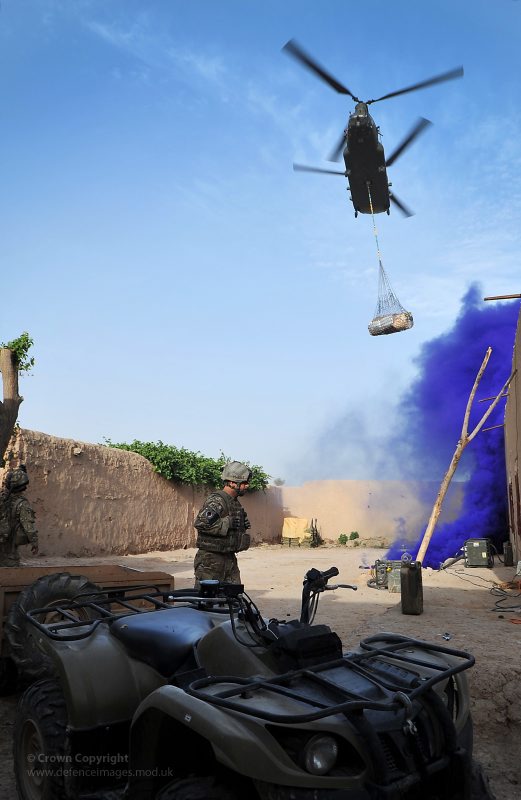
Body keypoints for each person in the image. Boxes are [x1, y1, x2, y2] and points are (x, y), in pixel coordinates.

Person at [193, 461, 252, 587]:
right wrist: (227, 523)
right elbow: (201, 523)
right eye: (244, 483)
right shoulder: (217, 500)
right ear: (232, 483)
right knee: (207, 601)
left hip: (228, 558)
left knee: (234, 599)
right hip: (211, 561)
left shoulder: (234, 502)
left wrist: (242, 525)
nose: (247, 486)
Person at [0, 465, 39, 567]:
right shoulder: (22, 504)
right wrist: (34, 543)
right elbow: (28, 527)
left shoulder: (2, 499)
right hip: (8, 555)